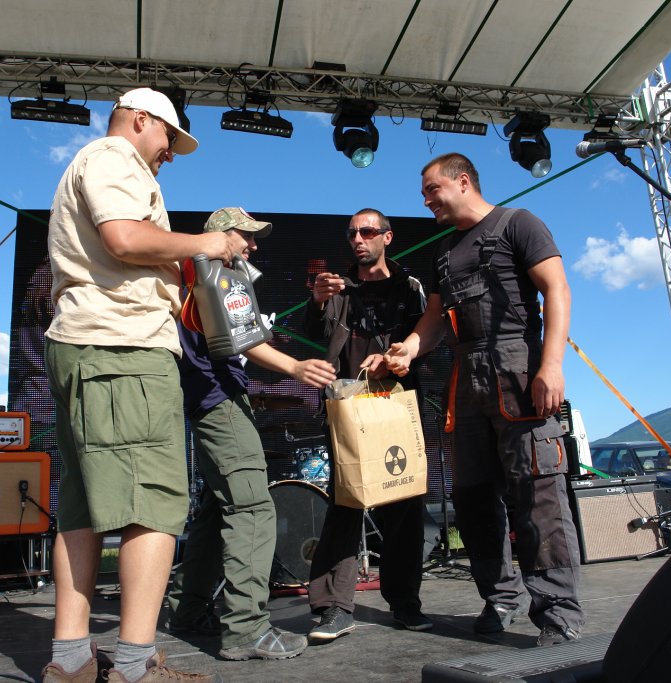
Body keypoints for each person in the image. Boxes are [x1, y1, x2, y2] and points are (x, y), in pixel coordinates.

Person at [42, 88, 247, 683]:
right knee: (154, 502)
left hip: (91, 346)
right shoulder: (113, 157)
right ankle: (134, 667)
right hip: (122, 349)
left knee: (81, 505)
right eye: (168, 138)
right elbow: (125, 239)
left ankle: (71, 662)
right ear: (140, 120)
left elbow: (124, 246)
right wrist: (207, 244)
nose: (170, 153)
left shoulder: (96, 163)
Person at [374, 152, 584, 646]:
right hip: (465, 378)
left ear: (463, 181)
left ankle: (558, 615)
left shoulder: (519, 224)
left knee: (538, 496)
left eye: (432, 190)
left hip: (518, 371)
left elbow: (557, 290)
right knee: (472, 498)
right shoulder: (444, 251)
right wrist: (409, 348)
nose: (426, 200)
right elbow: (433, 319)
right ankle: (500, 597)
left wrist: (551, 365)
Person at [167, 207, 336, 660]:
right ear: (221, 236)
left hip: (209, 399)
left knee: (215, 512)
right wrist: (296, 367)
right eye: (247, 236)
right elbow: (245, 339)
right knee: (253, 510)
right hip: (220, 402)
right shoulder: (214, 275)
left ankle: (188, 610)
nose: (254, 245)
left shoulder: (190, 275)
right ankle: (246, 629)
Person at [303, 208, 432, 642]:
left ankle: (405, 602)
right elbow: (312, 333)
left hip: (395, 403)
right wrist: (317, 300)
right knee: (346, 502)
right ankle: (333, 608)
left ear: (387, 237)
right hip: (348, 405)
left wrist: (394, 358)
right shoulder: (339, 287)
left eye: (367, 231)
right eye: (352, 233)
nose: (358, 239)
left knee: (404, 502)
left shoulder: (409, 287)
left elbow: (424, 341)